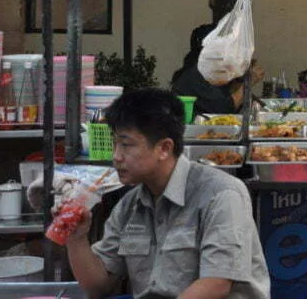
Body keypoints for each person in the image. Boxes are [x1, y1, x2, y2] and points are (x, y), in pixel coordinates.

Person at [64, 88, 270, 299]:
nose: (116, 156)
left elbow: (216, 284)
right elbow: (98, 286)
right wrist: (76, 238)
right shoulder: (130, 205)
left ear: (164, 148)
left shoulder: (222, 194)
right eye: (115, 144)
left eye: (126, 145)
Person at [172, 0, 265, 114]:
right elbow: (225, 109)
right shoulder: (198, 75)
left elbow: (226, 97)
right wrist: (249, 81)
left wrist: (240, 74)